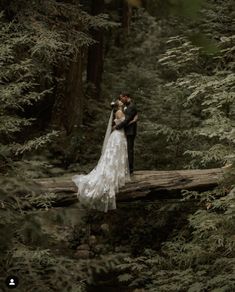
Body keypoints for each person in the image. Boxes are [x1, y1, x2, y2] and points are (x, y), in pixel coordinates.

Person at [72, 99, 137, 212]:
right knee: (115, 156)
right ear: (118, 105)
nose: (121, 101)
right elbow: (123, 124)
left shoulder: (121, 111)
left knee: (116, 157)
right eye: (120, 102)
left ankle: (117, 174)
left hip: (118, 135)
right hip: (118, 136)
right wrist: (134, 120)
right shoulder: (119, 112)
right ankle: (113, 175)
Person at [114, 93, 138, 174]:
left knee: (129, 150)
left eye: (122, 98)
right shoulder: (126, 106)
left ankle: (130, 169)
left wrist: (117, 127)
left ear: (126, 97)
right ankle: (126, 168)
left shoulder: (131, 106)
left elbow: (126, 120)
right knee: (126, 150)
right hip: (125, 131)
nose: (121, 100)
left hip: (130, 132)